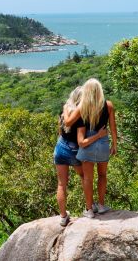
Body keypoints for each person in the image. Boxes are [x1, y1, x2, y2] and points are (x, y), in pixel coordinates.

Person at [53, 87, 107, 226]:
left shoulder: (65, 111)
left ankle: (63, 216)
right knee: (85, 177)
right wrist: (98, 135)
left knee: (61, 184)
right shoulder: (82, 114)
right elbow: (81, 141)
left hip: (61, 146)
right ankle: (90, 206)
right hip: (75, 150)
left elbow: (61, 129)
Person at [76, 78, 118, 218]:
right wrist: (114, 144)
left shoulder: (83, 108)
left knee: (88, 178)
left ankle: (89, 210)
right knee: (102, 175)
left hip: (88, 142)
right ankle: (100, 205)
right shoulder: (108, 105)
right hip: (103, 142)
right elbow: (113, 127)